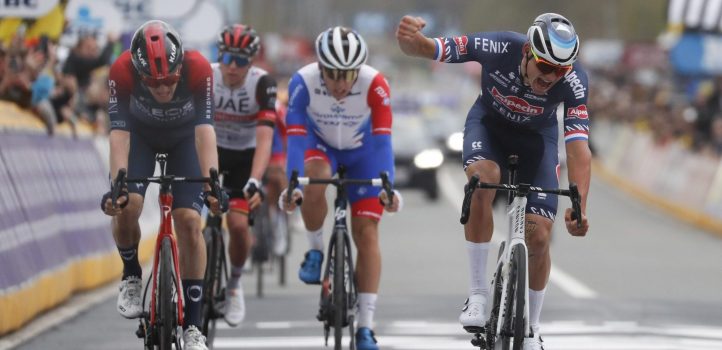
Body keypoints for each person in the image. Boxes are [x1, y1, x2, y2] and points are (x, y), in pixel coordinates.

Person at [396, 13, 591, 350]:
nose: (551, 78)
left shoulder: (574, 81)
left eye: (560, 71)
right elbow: (430, 48)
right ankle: (477, 295)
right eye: (545, 67)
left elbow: (578, 149)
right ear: (528, 52)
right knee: (483, 182)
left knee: (540, 236)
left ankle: (532, 327)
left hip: (537, 145)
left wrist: (579, 206)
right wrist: (412, 44)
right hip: (488, 130)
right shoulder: (499, 45)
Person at [101, 20, 226, 350]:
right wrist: (118, 185)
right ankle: (130, 275)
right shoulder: (122, 70)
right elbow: (119, 136)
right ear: (139, 74)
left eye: (170, 80)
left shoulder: (199, 69)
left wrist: (213, 181)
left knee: (188, 222)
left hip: (185, 140)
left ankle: (194, 326)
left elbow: (205, 132)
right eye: (153, 84)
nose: (163, 89)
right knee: (129, 205)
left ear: (180, 66)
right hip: (140, 138)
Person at [280, 26, 401, 350]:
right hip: (320, 147)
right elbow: (294, 136)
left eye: (347, 75)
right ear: (320, 68)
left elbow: (383, 140)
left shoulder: (375, 84)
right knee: (313, 176)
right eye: (332, 75)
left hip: (364, 154)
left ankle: (365, 326)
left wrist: (389, 185)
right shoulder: (302, 82)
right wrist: (293, 183)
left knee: (367, 234)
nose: (340, 84)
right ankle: (316, 249)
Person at [210, 23, 277, 326]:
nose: (232, 67)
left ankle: (234, 285)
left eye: (241, 61)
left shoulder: (262, 84)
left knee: (237, 225)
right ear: (219, 55)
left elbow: (265, 138)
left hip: (245, 155)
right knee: (186, 216)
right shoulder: (206, 77)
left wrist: (255, 178)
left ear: (251, 62)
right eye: (227, 58)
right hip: (209, 148)